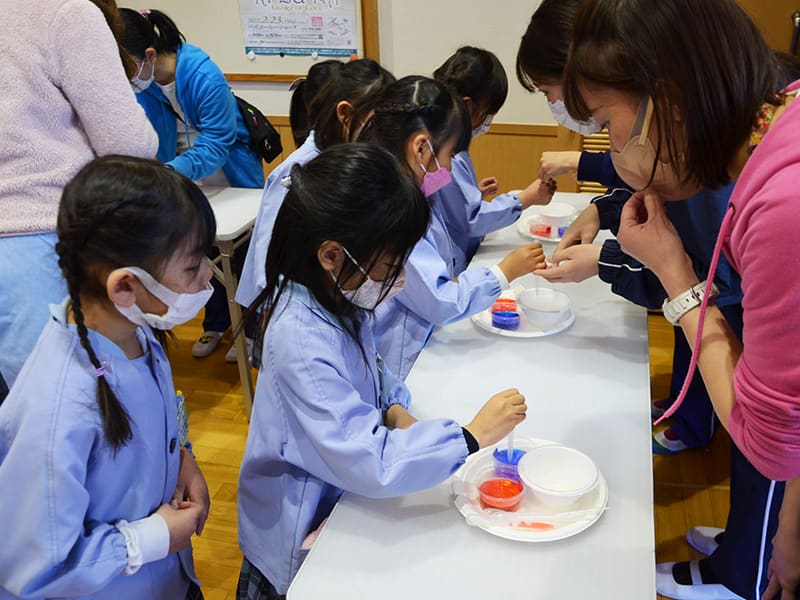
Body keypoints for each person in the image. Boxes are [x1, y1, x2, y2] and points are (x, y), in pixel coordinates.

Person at [565, 0, 800, 598]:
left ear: (666, 100)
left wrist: (673, 271)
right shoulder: (779, 120)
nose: (612, 150)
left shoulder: (781, 204)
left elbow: (770, 441)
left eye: (606, 125)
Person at [237, 144, 527, 598]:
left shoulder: (336, 298)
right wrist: (469, 436)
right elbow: (368, 461)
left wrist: (392, 406)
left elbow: (371, 369)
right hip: (297, 531)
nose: (402, 282)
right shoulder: (300, 337)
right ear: (331, 255)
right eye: (391, 268)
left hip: (341, 503)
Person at [515, 0, 743, 455]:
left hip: (754, 377)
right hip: (734, 354)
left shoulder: (735, 181)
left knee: (760, 471)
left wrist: (611, 262)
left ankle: (750, 529)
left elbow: (714, 283)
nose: (615, 148)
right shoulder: (695, 148)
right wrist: (605, 212)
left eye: (603, 123)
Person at [0, 156, 213, 598]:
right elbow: (32, 569)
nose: (208, 277)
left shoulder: (136, 331)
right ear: (125, 287)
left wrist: (182, 458)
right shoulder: (58, 405)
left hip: (167, 579)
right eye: (192, 268)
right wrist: (148, 540)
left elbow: (153, 417)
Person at [0, 0, 157, 392]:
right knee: (82, 402)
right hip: (41, 238)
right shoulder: (66, 12)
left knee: (20, 420)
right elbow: (129, 145)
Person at [359, 75, 547, 379]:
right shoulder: (394, 212)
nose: (447, 169)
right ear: (421, 149)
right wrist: (504, 272)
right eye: (448, 156)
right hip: (401, 357)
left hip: (419, 338)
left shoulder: (408, 191)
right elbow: (438, 300)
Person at [120, 8, 265, 362]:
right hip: (184, 179)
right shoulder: (145, 85)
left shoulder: (202, 75)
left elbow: (217, 143)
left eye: (127, 68)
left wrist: (169, 172)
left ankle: (249, 331)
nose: (125, 78)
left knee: (243, 257)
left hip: (232, 177)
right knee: (202, 253)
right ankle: (215, 323)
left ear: (149, 56)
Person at [236, 58, 395, 311]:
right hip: (294, 309)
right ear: (345, 114)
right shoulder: (296, 172)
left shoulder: (349, 161)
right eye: (378, 123)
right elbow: (268, 265)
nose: (385, 136)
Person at [433, 46, 556, 273]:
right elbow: (469, 220)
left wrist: (471, 193)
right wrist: (524, 199)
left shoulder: (448, 141)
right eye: (489, 113)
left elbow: (443, 199)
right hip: (449, 266)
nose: (489, 121)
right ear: (468, 105)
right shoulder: (445, 151)